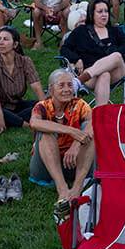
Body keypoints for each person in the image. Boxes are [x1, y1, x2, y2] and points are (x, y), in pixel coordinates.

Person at [29, 67, 95, 202]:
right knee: (46, 132)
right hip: (46, 166)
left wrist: (76, 144)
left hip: (75, 162)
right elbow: (34, 123)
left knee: (90, 131)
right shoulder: (42, 106)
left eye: (70, 85)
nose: (67, 89)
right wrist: (71, 131)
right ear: (51, 89)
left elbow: (94, 122)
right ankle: (62, 188)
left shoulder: (80, 104)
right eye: (61, 85)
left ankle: (77, 187)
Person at [59, 0, 125, 106]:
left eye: (106, 11)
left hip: (116, 71)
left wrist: (111, 55)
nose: (104, 14)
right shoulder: (80, 31)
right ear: (92, 14)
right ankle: (100, 113)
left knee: (116, 56)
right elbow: (64, 49)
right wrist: (76, 59)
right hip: (92, 76)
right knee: (104, 74)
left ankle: (79, 81)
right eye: (100, 11)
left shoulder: (115, 30)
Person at [0, 26, 42, 132]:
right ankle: (24, 124)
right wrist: (0, 115)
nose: (1, 42)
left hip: (15, 105)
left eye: (5, 39)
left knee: (38, 105)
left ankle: (12, 119)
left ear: (15, 44)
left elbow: (36, 86)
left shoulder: (25, 61)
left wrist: (46, 107)